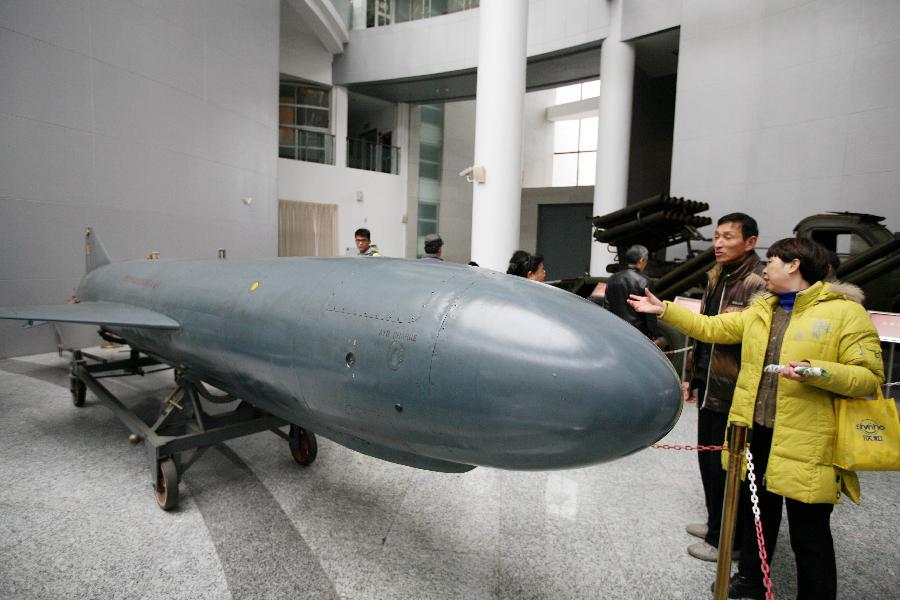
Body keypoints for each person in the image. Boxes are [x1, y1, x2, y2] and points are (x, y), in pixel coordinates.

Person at [629, 237, 884, 600]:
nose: (765, 269)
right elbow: (713, 328)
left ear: (794, 266)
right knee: (757, 516)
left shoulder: (844, 313)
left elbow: (868, 377)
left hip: (807, 439)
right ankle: (750, 580)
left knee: (808, 532)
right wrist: (665, 310)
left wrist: (819, 371)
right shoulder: (762, 309)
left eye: (773, 262)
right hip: (755, 433)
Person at [680, 213, 766, 562]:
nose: (718, 243)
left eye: (728, 237)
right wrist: (692, 374)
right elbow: (702, 330)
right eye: (716, 236)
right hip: (710, 385)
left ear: (750, 241)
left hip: (734, 391)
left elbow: (747, 340)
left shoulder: (757, 283)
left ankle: (727, 539)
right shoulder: (718, 276)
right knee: (708, 461)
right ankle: (716, 522)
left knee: (727, 469)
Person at [604, 245, 662, 342]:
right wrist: (654, 334)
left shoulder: (613, 278)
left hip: (615, 330)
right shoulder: (645, 281)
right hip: (637, 333)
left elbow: (606, 306)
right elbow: (649, 313)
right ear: (641, 260)